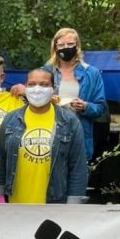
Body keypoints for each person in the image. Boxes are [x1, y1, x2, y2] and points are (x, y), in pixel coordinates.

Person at [0, 68, 88, 204]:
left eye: (43, 84)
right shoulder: (10, 119)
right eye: (31, 84)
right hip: (16, 205)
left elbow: (78, 167)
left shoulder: (69, 122)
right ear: (25, 86)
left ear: (53, 88)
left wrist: (74, 203)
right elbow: (1, 160)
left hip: (55, 203)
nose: (37, 89)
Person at [43, 28, 107, 161]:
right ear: (55, 48)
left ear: (77, 46)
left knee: (78, 180)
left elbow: (101, 108)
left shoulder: (92, 73)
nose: (65, 48)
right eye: (61, 45)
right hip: (48, 136)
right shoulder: (45, 71)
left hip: (80, 137)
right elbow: (34, 99)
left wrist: (85, 106)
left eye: (70, 44)